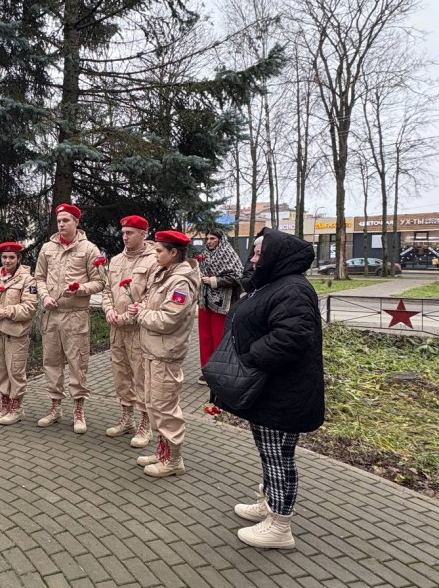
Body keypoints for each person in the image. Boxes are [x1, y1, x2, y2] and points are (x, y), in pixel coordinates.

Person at [221, 228, 324, 550]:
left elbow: (290, 337)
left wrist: (249, 358)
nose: (251, 259)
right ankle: (269, 502)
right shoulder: (275, 285)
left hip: (283, 391)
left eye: (257, 253)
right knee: (271, 455)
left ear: (275, 256)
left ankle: (280, 525)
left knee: (278, 457)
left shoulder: (292, 289)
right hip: (271, 387)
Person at [127, 230, 199, 479]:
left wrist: (141, 314)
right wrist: (142, 307)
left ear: (173, 253)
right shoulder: (164, 274)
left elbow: (169, 318)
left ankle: (174, 460)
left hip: (166, 352)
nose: (155, 254)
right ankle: (163, 452)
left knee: (165, 407)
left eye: (159, 251)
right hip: (153, 349)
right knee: (154, 404)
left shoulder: (181, 281)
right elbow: (153, 304)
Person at [35, 203, 104, 433]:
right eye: (59, 221)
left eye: (66, 220)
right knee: (51, 362)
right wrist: (44, 297)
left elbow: (100, 282)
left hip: (75, 315)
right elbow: (39, 277)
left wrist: (80, 289)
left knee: (78, 363)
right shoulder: (47, 248)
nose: (61, 224)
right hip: (52, 314)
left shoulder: (89, 249)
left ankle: (78, 409)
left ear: (76, 222)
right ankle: (55, 407)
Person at [101, 215, 159, 447]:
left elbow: (152, 295)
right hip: (117, 329)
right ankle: (127, 417)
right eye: (123, 233)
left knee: (140, 375)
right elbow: (107, 290)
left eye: (130, 233)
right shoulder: (115, 261)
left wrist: (128, 316)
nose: (125, 237)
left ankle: (146, 423)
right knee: (121, 374)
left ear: (143, 234)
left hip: (138, 330)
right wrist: (108, 310)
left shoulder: (154, 260)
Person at [0, 242, 38, 425]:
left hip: (15, 332)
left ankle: (17, 408)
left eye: (11, 257)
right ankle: (4, 404)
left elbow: (30, 307)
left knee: (15, 370)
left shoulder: (28, 280)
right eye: (4, 257)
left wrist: (8, 311)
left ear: (18, 259)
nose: (7, 260)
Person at [197, 228, 244, 384]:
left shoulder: (228, 253)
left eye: (213, 239)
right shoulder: (205, 254)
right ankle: (206, 369)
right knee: (204, 337)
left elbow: (237, 276)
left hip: (223, 302)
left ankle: (220, 371)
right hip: (205, 300)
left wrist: (214, 281)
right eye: (207, 238)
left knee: (219, 336)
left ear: (221, 240)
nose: (209, 241)